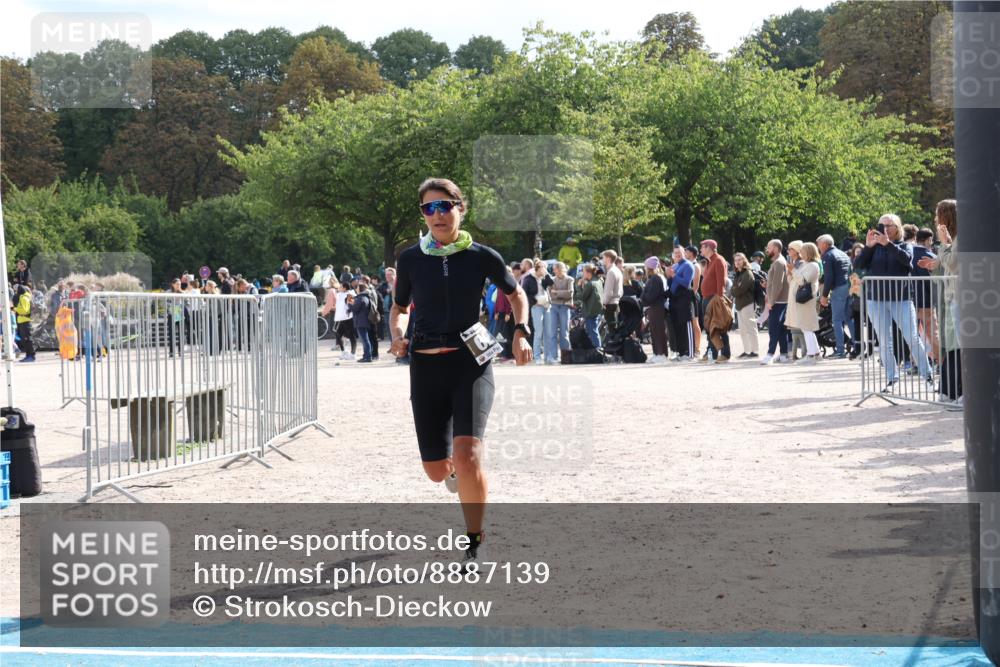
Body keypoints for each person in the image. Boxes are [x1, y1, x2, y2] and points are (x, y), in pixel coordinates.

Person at [389, 177, 531, 567]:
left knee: (468, 456)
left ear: (460, 208)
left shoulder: (482, 256)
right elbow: (399, 308)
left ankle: (474, 540)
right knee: (437, 472)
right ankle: (452, 473)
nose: (436, 214)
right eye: (428, 208)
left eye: (444, 206)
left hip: (472, 363)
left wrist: (520, 332)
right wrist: (397, 334)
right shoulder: (410, 259)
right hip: (426, 365)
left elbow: (516, 294)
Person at [855, 213, 932, 389]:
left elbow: (907, 261)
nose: (884, 229)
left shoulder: (905, 245)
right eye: (881, 225)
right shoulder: (874, 248)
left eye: (889, 225)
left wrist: (887, 244)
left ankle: (926, 375)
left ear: (897, 228)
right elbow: (858, 266)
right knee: (884, 340)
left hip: (901, 299)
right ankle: (892, 378)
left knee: (912, 338)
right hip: (876, 300)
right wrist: (868, 246)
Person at [918, 199, 960, 402]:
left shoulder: (959, 238)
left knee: (960, 344)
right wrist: (934, 265)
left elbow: (953, 263)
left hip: (961, 297)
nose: (935, 219)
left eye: (938, 215)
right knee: (952, 344)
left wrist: (944, 245)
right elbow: (945, 267)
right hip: (950, 298)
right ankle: (950, 390)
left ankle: (961, 391)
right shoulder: (952, 241)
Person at [817, 234, 854, 359]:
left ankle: (840, 351)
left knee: (836, 320)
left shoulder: (827, 255)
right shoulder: (842, 253)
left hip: (838, 289)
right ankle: (858, 346)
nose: (818, 248)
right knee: (849, 319)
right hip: (848, 287)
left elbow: (829, 278)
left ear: (824, 244)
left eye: (818, 244)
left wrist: (824, 296)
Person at [787, 242, 822, 364]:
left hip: (807, 300)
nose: (800, 253)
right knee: (806, 327)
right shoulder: (807, 264)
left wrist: (793, 271)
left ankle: (811, 355)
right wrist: (792, 272)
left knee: (807, 327)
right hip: (802, 300)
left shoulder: (813, 266)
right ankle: (816, 353)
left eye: (803, 251)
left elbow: (803, 280)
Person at [911, 227, 939, 365]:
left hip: (910, 301)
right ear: (928, 240)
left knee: (912, 335)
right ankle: (941, 362)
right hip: (927, 301)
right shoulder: (931, 257)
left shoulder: (909, 254)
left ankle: (916, 363)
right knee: (933, 335)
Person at [699, 240, 730, 362]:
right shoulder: (709, 261)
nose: (701, 250)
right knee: (709, 328)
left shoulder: (718, 260)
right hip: (707, 298)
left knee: (719, 327)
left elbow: (721, 281)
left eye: (702, 247)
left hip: (714, 298)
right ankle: (712, 352)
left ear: (709, 248)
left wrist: (718, 298)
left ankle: (725, 354)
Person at [760, 239, 790, 365]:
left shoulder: (778, 263)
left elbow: (778, 285)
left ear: (776, 248)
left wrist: (771, 301)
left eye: (769, 247)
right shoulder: (778, 262)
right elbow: (776, 283)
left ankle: (770, 354)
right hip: (779, 300)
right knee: (781, 329)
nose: (767, 250)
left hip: (778, 301)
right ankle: (783, 354)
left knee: (773, 329)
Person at [523, 259, 555, 364]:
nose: (545, 269)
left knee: (548, 332)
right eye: (543, 267)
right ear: (537, 268)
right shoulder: (528, 278)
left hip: (547, 306)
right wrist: (535, 301)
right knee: (538, 332)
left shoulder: (545, 277)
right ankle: (537, 357)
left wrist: (547, 274)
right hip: (536, 306)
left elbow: (552, 283)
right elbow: (525, 294)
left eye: (545, 268)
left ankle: (548, 356)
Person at [666, 247, 695, 360]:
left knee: (686, 325)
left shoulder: (688, 265)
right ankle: (681, 352)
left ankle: (690, 353)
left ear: (684, 253)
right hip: (674, 300)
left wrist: (674, 275)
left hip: (683, 298)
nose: (677, 255)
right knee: (677, 326)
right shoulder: (675, 266)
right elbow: (671, 284)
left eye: (679, 253)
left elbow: (686, 283)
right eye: (675, 253)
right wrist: (669, 276)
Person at [640, 255, 668, 363]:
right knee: (655, 331)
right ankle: (657, 353)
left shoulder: (655, 278)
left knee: (658, 330)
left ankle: (661, 353)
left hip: (656, 307)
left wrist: (643, 297)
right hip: (654, 307)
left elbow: (651, 295)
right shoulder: (656, 278)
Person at [730, 253, 759, 358]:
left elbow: (740, 289)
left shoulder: (747, 273)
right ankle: (747, 350)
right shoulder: (738, 273)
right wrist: (735, 289)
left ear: (744, 260)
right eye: (736, 260)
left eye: (740, 260)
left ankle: (755, 351)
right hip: (739, 304)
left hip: (747, 303)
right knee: (742, 330)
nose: (737, 262)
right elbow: (734, 288)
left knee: (751, 327)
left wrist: (734, 289)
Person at [548, 261, 574, 362]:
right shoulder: (552, 280)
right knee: (553, 332)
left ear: (560, 269)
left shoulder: (569, 279)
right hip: (554, 306)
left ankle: (566, 356)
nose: (554, 271)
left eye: (555, 269)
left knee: (564, 332)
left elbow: (570, 294)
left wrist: (557, 292)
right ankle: (554, 356)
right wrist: (562, 294)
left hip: (565, 306)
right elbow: (551, 294)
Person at [575, 264, 604, 349]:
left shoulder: (590, 284)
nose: (583, 274)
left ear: (588, 273)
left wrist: (578, 286)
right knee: (594, 330)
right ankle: (598, 347)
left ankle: (598, 348)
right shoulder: (598, 280)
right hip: (596, 309)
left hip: (590, 311)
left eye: (583, 272)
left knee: (592, 331)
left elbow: (582, 297)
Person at [347, 283, 375, 362]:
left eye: (357, 287)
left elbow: (355, 309)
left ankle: (368, 356)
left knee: (365, 340)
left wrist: (349, 304)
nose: (356, 289)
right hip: (363, 321)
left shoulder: (361, 298)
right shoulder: (365, 297)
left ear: (360, 289)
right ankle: (366, 356)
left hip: (361, 321)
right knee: (365, 339)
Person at [333, 281, 357, 360]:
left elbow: (352, 305)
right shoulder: (339, 294)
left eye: (340, 286)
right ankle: (344, 352)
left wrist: (349, 311)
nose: (338, 288)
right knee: (338, 335)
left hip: (348, 319)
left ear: (344, 288)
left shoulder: (350, 294)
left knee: (351, 336)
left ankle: (353, 353)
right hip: (339, 319)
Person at [600, 250, 623, 329]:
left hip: (610, 303)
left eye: (603, 258)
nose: (602, 260)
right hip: (616, 302)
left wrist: (603, 303)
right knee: (614, 327)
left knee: (611, 329)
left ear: (608, 259)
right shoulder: (617, 270)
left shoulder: (611, 272)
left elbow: (609, 292)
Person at [13, 284, 35, 362]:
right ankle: (28, 355)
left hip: (25, 321)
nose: (15, 292)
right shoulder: (24, 297)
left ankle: (31, 356)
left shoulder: (24, 298)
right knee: (25, 340)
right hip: (23, 321)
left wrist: (14, 309)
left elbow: (24, 310)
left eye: (16, 290)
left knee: (27, 339)